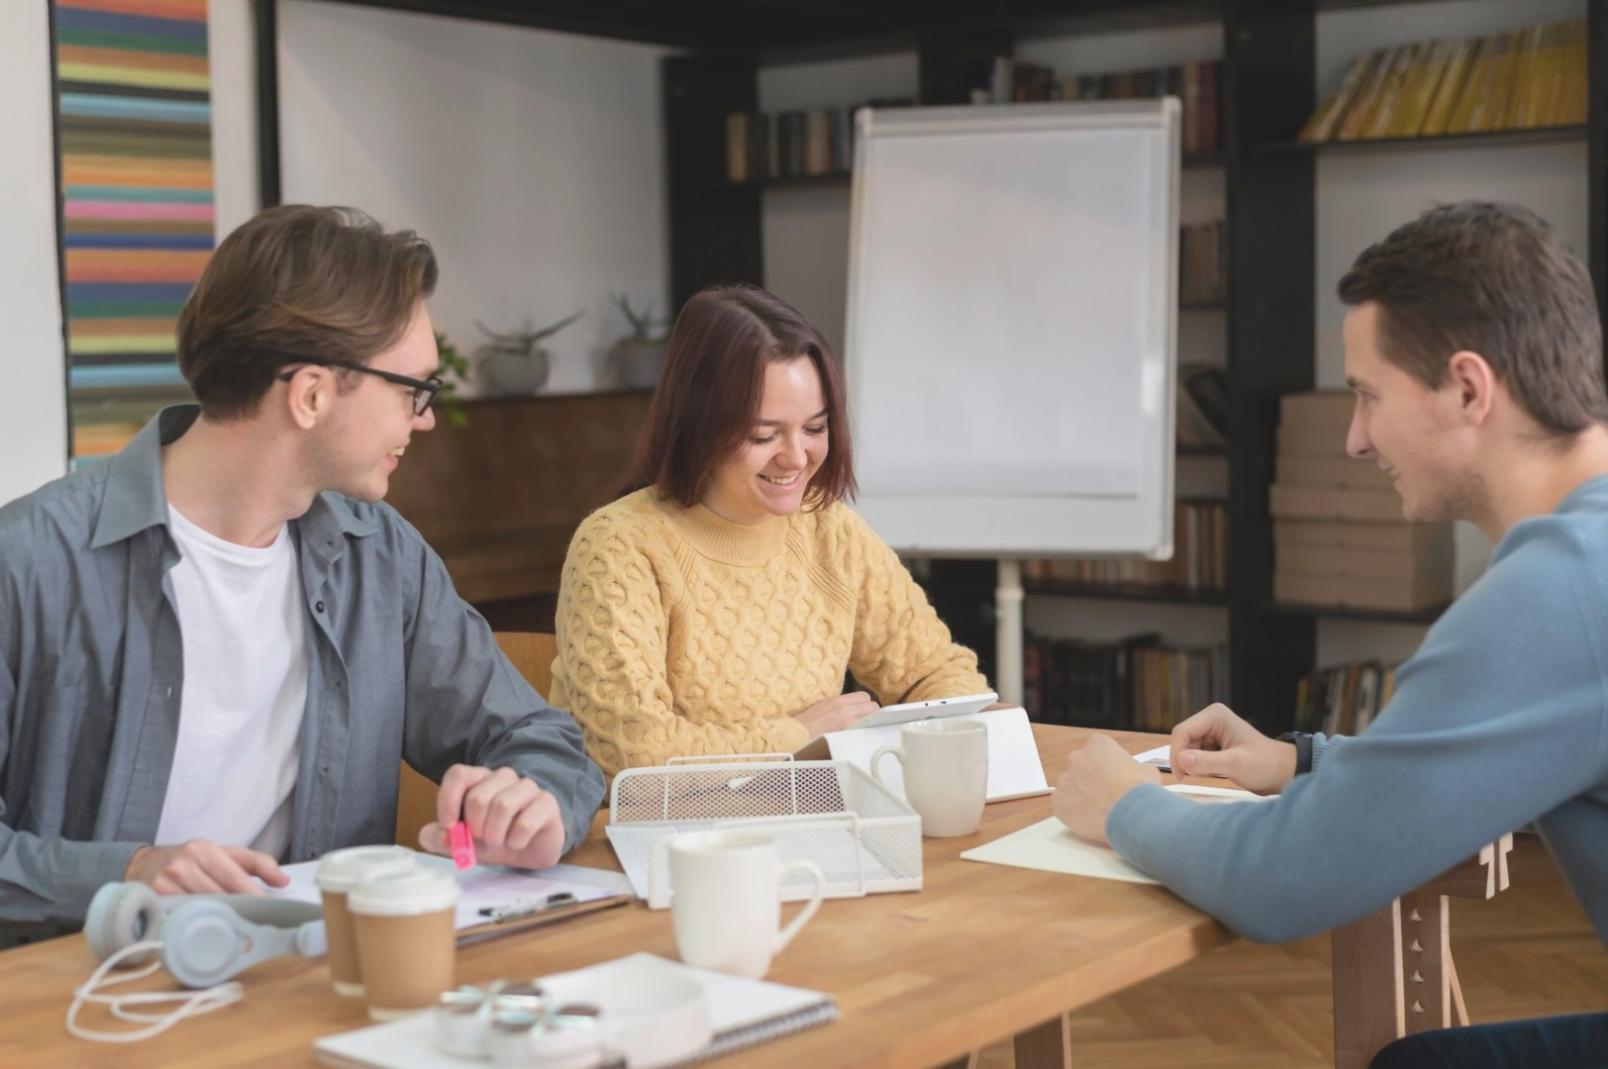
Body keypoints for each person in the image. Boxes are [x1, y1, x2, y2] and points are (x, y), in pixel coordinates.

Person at [1052, 201, 1607, 1068]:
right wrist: (1304, 761)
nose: (1353, 439)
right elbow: (1481, 754)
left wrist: (1125, 806)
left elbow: (1286, 880)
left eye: (1366, 395)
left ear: (1468, 389)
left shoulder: (1559, 588)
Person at [0, 205, 604, 941]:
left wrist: (535, 803)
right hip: (82, 1009)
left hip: (313, 986)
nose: (425, 420)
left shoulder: (380, 557)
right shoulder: (31, 563)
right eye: (413, 389)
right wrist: (124, 873)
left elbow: (539, 736)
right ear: (311, 393)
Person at [549, 284, 989, 778]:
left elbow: (938, 673)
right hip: (658, 841)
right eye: (763, 435)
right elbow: (631, 752)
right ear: (700, 425)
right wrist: (798, 735)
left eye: (815, 428)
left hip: (807, 817)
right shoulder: (618, 545)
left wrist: (938, 732)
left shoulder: (830, 530)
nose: (797, 458)